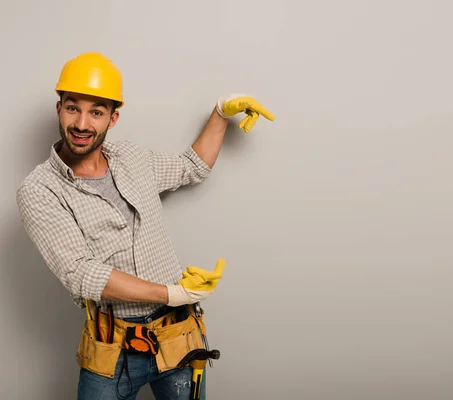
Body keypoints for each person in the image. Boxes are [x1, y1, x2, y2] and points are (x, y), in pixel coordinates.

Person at [16, 52, 275, 399]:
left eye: (96, 111)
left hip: (177, 336)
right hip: (112, 350)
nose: (81, 123)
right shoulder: (39, 190)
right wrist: (169, 293)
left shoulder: (132, 159)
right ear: (58, 108)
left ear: (113, 118)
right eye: (72, 107)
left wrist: (220, 112)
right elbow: (81, 273)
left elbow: (191, 166)